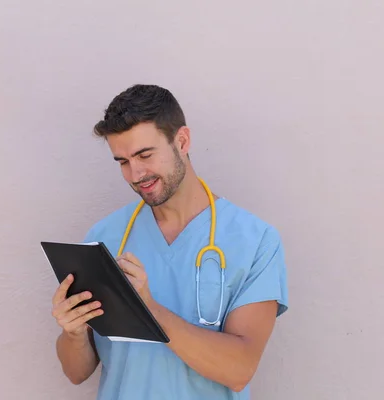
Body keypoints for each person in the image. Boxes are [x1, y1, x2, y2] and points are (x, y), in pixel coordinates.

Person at [50, 84, 289, 399]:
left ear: (183, 141)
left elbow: (239, 369)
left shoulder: (255, 241)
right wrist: (74, 333)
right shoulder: (104, 238)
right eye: (122, 161)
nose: (136, 174)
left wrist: (148, 309)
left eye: (145, 155)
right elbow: (77, 373)